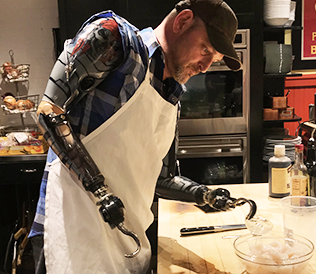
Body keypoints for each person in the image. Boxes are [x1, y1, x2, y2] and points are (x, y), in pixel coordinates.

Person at [28, 1, 251, 273]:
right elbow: (49, 112)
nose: (204, 67)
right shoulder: (114, 38)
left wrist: (204, 194)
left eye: (212, 59)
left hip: (126, 241)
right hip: (71, 226)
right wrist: (100, 191)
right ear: (182, 21)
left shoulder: (172, 100)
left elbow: (161, 179)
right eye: (205, 49)